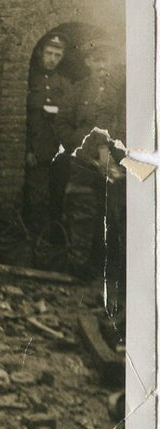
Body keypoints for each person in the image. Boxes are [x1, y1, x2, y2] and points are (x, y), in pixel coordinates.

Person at [64, 41, 126, 311]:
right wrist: (83, 150)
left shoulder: (118, 91)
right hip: (85, 164)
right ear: (89, 63)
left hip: (117, 164)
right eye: (97, 61)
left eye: (107, 61)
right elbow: (65, 126)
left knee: (115, 218)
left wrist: (116, 158)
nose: (103, 66)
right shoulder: (77, 91)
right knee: (83, 214)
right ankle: (78, 275)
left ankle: (111, 280)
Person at [23, 32, 76, 259]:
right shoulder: (29, 78)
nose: (53, 58)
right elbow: (26, 120)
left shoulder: (64, 84)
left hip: (60, 153)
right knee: (37, 199)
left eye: (57, 54)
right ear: (40, 53)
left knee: (58, 199)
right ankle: (34, 246)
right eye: (49, 53)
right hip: (38, 152)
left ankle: (53, 249)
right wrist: (28, 150)